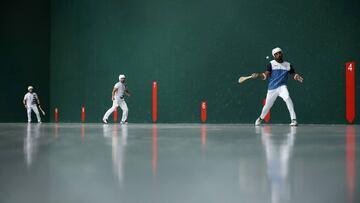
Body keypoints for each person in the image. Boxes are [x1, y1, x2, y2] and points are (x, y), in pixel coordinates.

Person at [252, 47, 303, 126]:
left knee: (287, 98)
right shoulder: (271, 64)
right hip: (272, 88)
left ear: (282, 54)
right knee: (267, 106)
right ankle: (260, 118)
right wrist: (259, 75)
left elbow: (293, 74)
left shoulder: (288, 65)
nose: (278, 55)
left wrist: (297, 76)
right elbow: (266, 75)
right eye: (276, 54)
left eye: (279, 53)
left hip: (282, 87)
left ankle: (294, 119)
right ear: (274, 56)